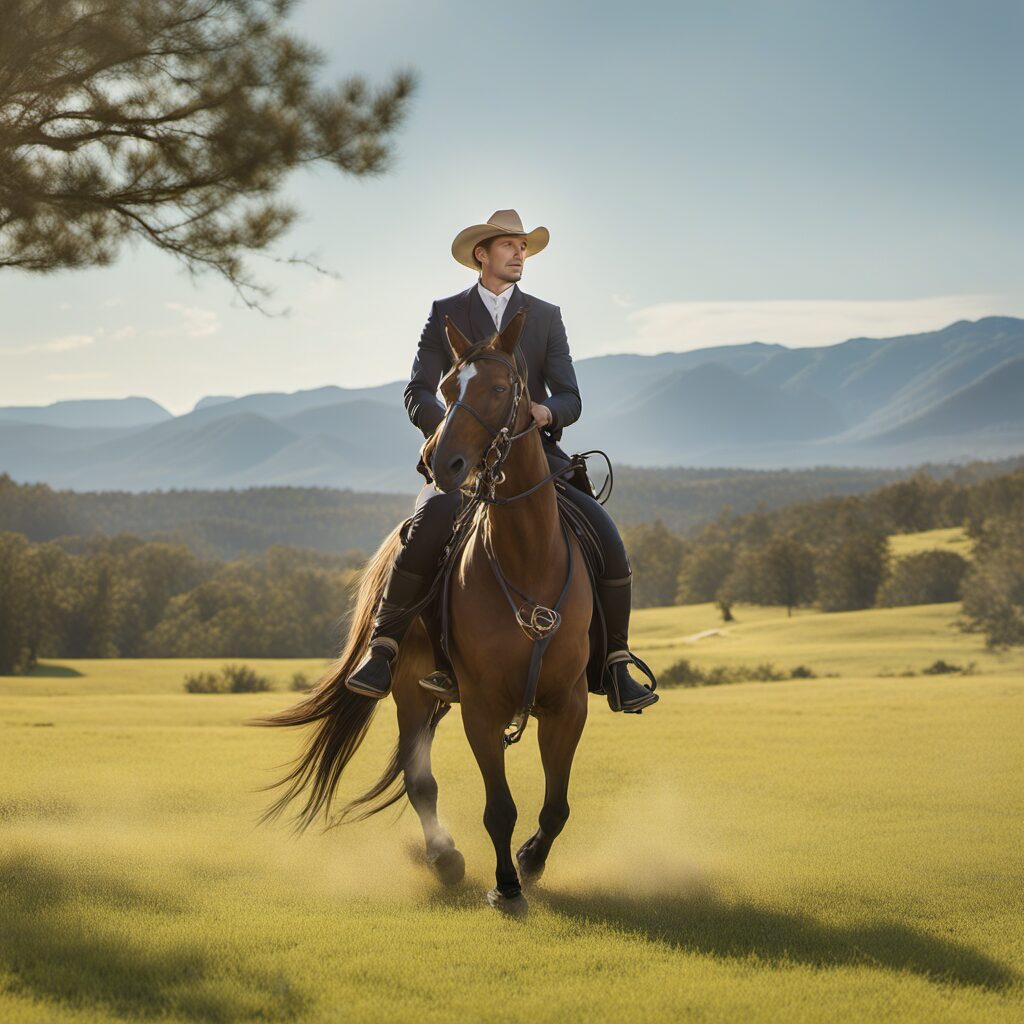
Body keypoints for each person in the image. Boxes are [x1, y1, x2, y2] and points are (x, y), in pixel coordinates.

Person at [345, 209, 658, 714]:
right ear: (482, 255)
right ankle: (384, 650)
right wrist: (447, 432)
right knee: (427, 529)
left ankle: (616, 662)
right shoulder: (445, 310)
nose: (520, 255)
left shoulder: (546, 315)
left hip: (535, 460)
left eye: (524, 247)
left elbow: (571, 397)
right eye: (510, 246)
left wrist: (545, 409)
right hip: (460, 461)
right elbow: (418, 390)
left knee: (606, 535)